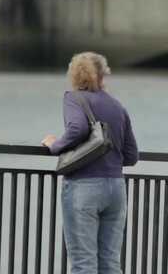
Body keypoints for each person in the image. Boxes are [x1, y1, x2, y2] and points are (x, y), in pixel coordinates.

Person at [41, 51, 138, 274]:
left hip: (84, 187)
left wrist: (54, 145)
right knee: (110, 264)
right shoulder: (117, 106)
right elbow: (131, 155)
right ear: (104, 75)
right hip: (115, 188)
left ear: (74, 75)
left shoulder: (74, 98)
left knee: (84, 264)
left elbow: (77, 128)